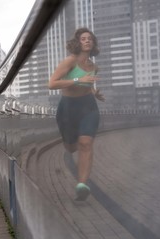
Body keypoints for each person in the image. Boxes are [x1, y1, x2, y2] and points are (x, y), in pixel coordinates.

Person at [48, 27, 104, 201]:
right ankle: (80, 178)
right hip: (68, 108)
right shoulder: (69, 61)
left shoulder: (93, 67)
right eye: (83, 38)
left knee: (85, 143)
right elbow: (52, 83)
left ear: (93, 43)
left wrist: (94, 93)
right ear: (78, 43)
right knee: (71, 147)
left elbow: (89, 84)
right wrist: (78, 80)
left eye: (90, 39)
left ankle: (82, 185)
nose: (87, 41)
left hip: (88, 107)